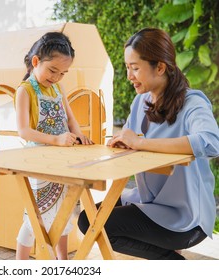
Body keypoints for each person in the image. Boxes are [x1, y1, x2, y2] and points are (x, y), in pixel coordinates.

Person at [77, 27, 219, 260]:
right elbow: (133, 140)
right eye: (127, 68)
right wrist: (123, 144)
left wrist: (141, 144)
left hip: (186, 216)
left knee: (98, 224)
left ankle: (172, 261)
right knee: (88, 218)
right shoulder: (140, 101)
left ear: (160, 67)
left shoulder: (193, 103)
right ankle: (167, 257)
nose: (129, 76)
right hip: (151, 200)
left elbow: (210, 142)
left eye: (135, 68)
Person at [14, 31, 93, 260]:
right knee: (35, 217)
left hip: (62, 161)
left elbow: (70, 119)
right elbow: (23, 131)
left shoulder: (58, 89)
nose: (57, 77)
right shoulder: (25, 90)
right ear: (36, 61)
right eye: (53, 71)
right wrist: (57, 139)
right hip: (38, 162)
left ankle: (62, 261)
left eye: (62, 73)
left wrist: (80, 136)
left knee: (64, 212)